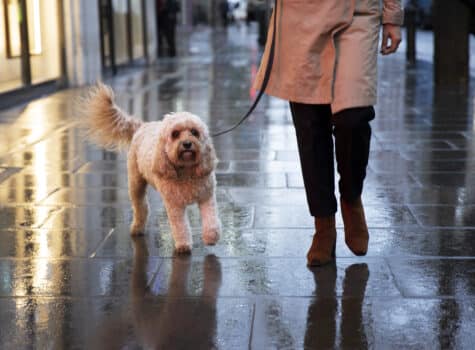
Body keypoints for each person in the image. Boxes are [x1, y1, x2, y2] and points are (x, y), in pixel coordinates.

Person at [254, 1, 404, 266]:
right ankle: (323, 224)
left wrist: (391, 15)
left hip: (356, 13)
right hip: (299, 16)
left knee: (354, 116)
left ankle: (351, 196)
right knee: (310, 124)